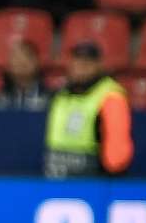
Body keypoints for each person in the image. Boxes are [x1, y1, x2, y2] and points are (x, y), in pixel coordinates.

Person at [44, 42, 133, 178]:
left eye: (88, 62)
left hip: (93, 181)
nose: (81, 66)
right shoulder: (60, 95)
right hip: (54, 176)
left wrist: (110, 178)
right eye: (77, 60)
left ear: (99, 65)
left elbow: (117, 156)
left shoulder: (110, 96)